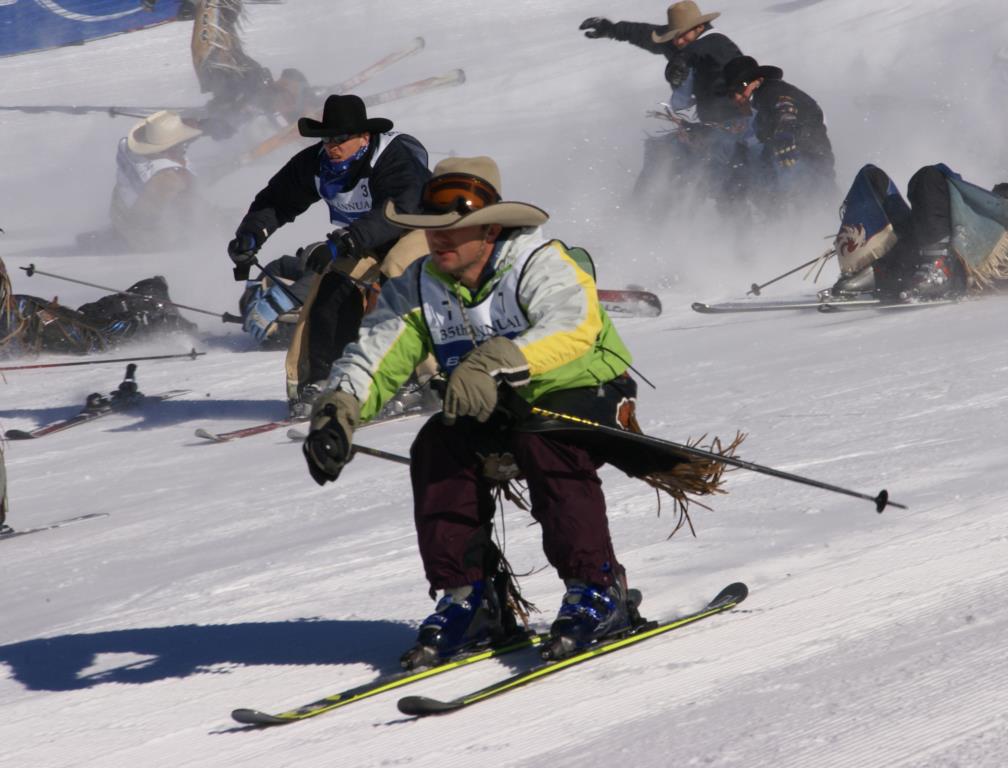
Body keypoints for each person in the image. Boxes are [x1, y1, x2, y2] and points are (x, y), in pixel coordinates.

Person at [299, 156, 735, 666]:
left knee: (542, 436)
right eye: (431, 230)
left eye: (454, 230)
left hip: (585, 390)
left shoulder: (539, 261)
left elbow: (573, 327)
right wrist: (339, 409)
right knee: (437, 445)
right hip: (499, 404)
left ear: (490, 230)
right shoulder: (421, 284)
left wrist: (495, 364)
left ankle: (596, 589)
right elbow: (377, 350)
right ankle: (471, 599)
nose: (439, 241)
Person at [227, 93, 431, 418]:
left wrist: (345, 241)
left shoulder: (393, 156)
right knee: (331, 288)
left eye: (340, 138)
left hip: (419, 231)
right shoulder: (317, 163)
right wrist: (250, 236)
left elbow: (400, 211)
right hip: (364, 241)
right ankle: (324, 380)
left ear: (364, 136)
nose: (331, 146)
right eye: (326, 139)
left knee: (396, 278)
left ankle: (420, 379)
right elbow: (277, 200)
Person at [579, 2, 748, 203]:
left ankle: (741, 228)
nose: (677, 42)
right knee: (661, 153)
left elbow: (699, 51)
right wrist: (614, 29)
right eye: (674, 36)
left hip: (737, 128)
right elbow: (647, 34)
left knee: (721, 179)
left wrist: (682, 60)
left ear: (700, 27)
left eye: (682, 35)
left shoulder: (718, 44)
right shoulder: (683, 42)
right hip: (706, 128)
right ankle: (639, 216)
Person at [827, 164, 1008, 301]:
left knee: (929, 178)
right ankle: (876, 267)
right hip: (921, 253)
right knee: (872, 177)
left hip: (960, 265)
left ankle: (941, 270)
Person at [722, 55, 835, 210]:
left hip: (805, 158)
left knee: (816, 201)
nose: (735, 97)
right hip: (805, 160)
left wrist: (784, 135)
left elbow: (785, 108)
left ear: (756, 82)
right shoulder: (759, 106)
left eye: (740, 88)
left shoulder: (769, 90)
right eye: (731, 93)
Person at [107, 110, 205, 252]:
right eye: (182, 144)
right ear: (168, 149)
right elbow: (196, 211)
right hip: (145, 241)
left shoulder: (133, 151)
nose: (185, 147)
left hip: (120, 218)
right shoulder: (169, 179)